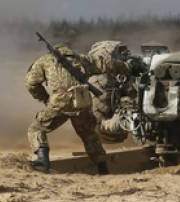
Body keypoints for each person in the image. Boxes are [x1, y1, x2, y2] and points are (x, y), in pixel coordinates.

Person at [25, 43, 128, 175]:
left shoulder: (44, 60)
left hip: (60, 103)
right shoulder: (81, 59)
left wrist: (44, 98)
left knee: (36, 129)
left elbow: (31, 82)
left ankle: (42, 161)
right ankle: (103, 168)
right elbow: (105, 64)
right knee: (89, 135)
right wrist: (127, 67)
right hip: (82, 102)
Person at [87, 41, 140, 144]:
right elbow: (132, 93)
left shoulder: (91, 77)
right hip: (109, 133)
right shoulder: (106, 79)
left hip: (94, 133)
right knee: (130, 104)